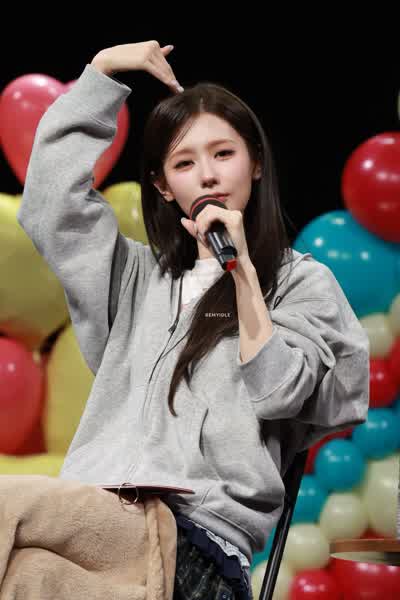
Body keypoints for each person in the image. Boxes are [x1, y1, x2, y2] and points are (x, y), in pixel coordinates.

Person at [17, 40, 370, 600]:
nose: (207, 175)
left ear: (256, 162)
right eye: (184, 163)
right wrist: (102, 72)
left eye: (223, 154)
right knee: (22, 577)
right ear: (163, 186)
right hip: (96, 516)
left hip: (196, 537)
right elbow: (48, 206)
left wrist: (244, 272)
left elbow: (280, 391)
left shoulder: (301, 283)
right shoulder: (133, 280)